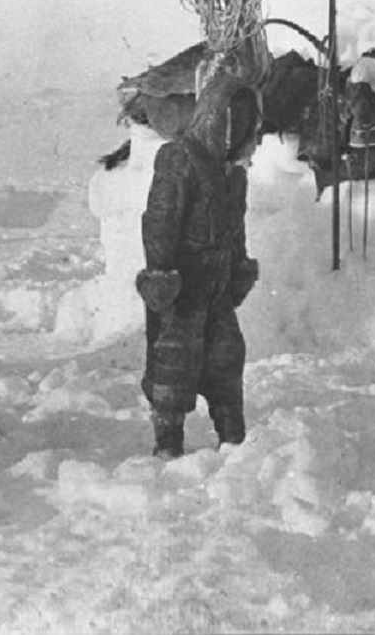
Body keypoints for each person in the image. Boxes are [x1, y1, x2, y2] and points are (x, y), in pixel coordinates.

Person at [136, 68, 261, 459]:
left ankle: (232, 434)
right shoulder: (179, 158)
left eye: (244, 122)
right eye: (230, 119)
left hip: (218, 283)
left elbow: (235, 228)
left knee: (226, 356)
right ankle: (168, 440)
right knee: (175, 358)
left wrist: (238, 266)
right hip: (183, 284)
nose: (236, 130)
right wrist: (160, 274)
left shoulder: (233, 175)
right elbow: (160, 219)